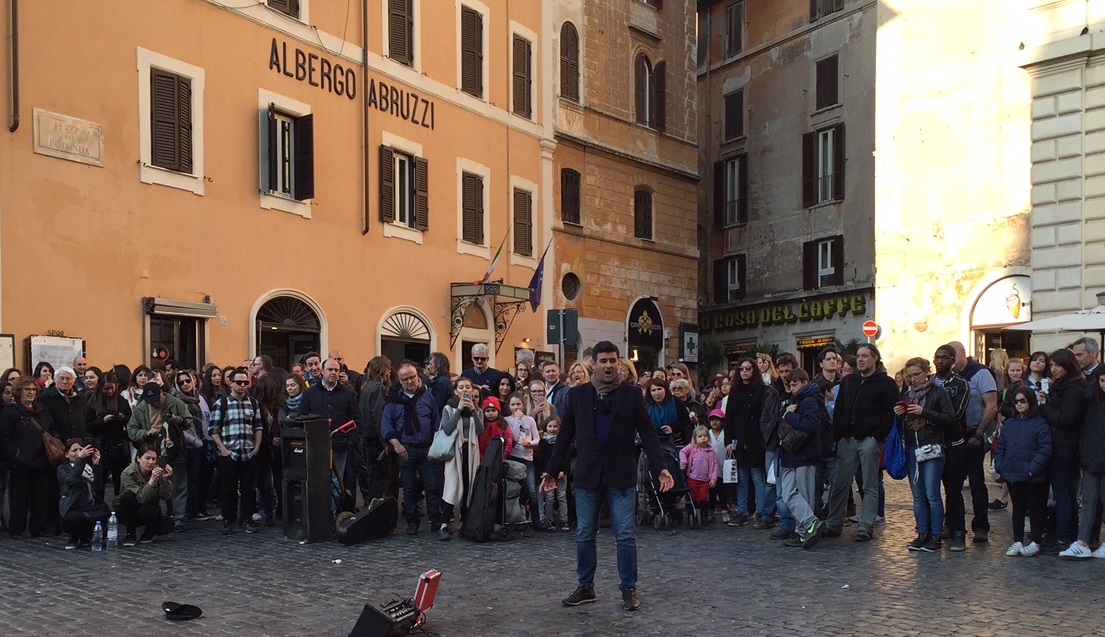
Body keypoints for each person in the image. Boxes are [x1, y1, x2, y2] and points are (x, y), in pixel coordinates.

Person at [541, 341, 673, 612]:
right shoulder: (577, 396)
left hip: (620, 474)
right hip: (588, 474)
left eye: (613, 360)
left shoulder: (632, 394)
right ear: (593, 364)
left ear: (619, 363)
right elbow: (564, 436)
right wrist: (552, 470)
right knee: (584, 534)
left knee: (625, 535)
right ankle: (586, 586)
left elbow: (648, 433)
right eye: (603, 361)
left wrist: (660, 467)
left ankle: (628, 588)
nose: (609, 365)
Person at [823, 344, 899, 541]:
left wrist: (878, 436)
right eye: (858, 356)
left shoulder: (886, 383)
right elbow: (839, 409)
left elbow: (889, 413)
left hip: (870, 440)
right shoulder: (849, 381)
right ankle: (834, 523)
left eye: (865, 356)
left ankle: (866, 525)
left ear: (875, 358)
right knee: (840, 483)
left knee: (869, 484)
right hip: (847, 439)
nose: (860, 360)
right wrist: (839, 434)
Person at [895, 357, 954, 553]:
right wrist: (899, 414)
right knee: (918, 495)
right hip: (912, 446)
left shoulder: (938, 391)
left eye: (916, 375)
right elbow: (906, 423)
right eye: (909, 376)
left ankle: (935, 535)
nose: (913, 380)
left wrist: (925, 414)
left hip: (932, 446)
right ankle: (922, 533)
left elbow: (949, 418)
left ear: (927, 372)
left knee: (932, 494)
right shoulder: (908, 394)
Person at [127, 382, 199, 533]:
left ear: (161, 393)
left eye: (156, 399)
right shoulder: (141, 408)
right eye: (150, 400)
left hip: (174, 450)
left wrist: (177, 419)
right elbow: (131, 429)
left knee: (178, 485)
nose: (153, 403)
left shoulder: (174, 402)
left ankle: (179, 518)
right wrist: (146, 434)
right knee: (154, 485)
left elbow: (189, 420)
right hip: (152, 453)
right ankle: (158, 516)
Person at [381, 360, 442, 536]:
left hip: (427, 449)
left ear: (418, 376)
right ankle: (412, 521)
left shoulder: (427, 396)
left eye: (412, 377)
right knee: (409, 488)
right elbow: (386, 425)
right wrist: (396, 444)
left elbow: (436, 422)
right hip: (405, 449)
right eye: (405, 379)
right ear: (400, 381)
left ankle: (435, 521)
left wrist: (435, 447)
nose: (410, 381)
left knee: (432, 486)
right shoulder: (393, 400)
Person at [1037, 348, 1086, 552]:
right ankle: (1061, 533)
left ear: (1067, 366)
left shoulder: (1073, 389)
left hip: (1065, 446)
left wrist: (1043, 406)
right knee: (1063, 493)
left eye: (1057, 365)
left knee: (1064, 493)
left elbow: (1065, 418)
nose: (1053, 369)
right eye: (1052, 365)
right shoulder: (1062, 386)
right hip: (1060, 444)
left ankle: (1064, 536)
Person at [994, 386, 1053, 557]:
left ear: (1030, 402)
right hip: (1013, 473)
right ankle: (1017, 540)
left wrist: (1032, 468)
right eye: (1016, 401)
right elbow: (1001, 447)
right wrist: (1001, 466)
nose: (1019, 404)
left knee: (1035, 509)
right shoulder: (1010, 424)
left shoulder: (1040, 423)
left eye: (1022, 401)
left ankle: (1035, 541)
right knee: (1018, 509)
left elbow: (1045, 448)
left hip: (1032, 475)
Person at [949, 340, 998, 543]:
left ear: (962, 353)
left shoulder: (981, 373)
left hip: (973, 433)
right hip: (953, 436)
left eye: (953, 355)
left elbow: (992, 405)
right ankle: (951, 523)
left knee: (977, 482)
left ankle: (981, 525)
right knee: (952, 484)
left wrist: (979, 433)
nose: (950, 360)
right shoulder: (949, 377)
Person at [209, 368, 265, 535]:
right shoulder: (221, 403)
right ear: (230, 383)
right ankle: (228, 519)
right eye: (239, 382)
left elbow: (258, 427)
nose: (242, 386)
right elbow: (213, 430)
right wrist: (223, 449)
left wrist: (256, 447)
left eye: (245, 383)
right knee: (228, 487)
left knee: (249, 488)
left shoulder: (253, 403)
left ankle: (246, 519)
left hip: (248, 452)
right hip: (229, 452)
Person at [0, 379, 58, 538]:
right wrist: (15, 454)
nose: (31, 392)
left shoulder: (42, 410)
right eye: (27, 389)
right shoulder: (11, 412)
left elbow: (51, 429)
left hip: (41, 461)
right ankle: (17, 529)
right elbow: (4, 437)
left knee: (40, 498)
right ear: (20, 391)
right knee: (19, 498)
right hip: (21, 463)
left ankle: (37, 528)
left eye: (33, 389)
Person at [298, 357, 362, 501]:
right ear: (322, 371)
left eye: (336, 370)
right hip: (315, 447)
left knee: (336, 482)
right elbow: (301, 417)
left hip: (340, 446)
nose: (333, 372)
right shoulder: (309, 393)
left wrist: (351, 441)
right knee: (317, 482)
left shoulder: (348, 394)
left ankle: (332, 515)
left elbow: (357, 420)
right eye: (330, 369)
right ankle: (319, 515)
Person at [777, 370, 826, 549]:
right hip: (791, 453)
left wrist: (789, 415)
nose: (792, 389)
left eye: (795, 384)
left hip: (805, 454)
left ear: (805, 382)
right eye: (789, 385)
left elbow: (812, 425)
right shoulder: (795, 401)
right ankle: (810, 523)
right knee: (788, 493)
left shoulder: (810, 400)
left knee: (804, 494)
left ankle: (803, 532)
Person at [1060, 368, 1105, 559]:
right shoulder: (1093, 400)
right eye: (1102, 380)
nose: (1104, 384)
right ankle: (1082, 542)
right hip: (1092, 457)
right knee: (1088, 502)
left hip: (1094, 456)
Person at [932, 344, 971, 552]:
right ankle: (934, 529)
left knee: (953, 490)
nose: (940, 361)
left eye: (945, 358)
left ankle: (958, 532)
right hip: (931, 443)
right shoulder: (928, 382)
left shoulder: (961, 384)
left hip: (953, 443)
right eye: (937, 357)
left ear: (953, 360)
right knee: (930, 491)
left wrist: (928, 417)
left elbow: (954, 414)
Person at [724, 358, 769, 528]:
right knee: (741, 477)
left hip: (755, 439)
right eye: (741, 368)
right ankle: (742, 511)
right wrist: (728, 440)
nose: (744, 371)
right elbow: (729, 418)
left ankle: (761, 511)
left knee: (758, 477)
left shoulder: (761, 390)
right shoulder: (735, 391)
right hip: (739, 439)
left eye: (748, 369)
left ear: (753, 371)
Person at [439, 377, 484, 540]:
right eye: (461, 387)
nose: (465, 390)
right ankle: (444, 524)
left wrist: (473, 410)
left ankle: (465, 522)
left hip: (471, 450)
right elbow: (447, 429)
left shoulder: (477, 410)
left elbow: (480, 430)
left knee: (469, 484)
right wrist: (458, 410)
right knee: (452, 486)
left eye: (468, 387)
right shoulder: (448, 408)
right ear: (455, 391)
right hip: (455, 451)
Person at [84, 371, 133, 498]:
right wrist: (102, 421)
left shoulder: (121, 400)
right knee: (99, 481)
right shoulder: (92, 401)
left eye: (112, 388)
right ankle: (99, 508)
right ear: (100, 387)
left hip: (119, 445)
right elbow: (86, 425)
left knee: (120, 481)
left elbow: (131, 421)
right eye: (106, 388)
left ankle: (119, 508)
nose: (110, 391)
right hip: (100, 445)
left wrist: (122, 418)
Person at [116, 443, 174, 546]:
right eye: (147, 458)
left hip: (149, 506)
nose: (150, 462)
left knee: (150, 511)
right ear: (138, 458)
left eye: (153, 459)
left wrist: (165, 479)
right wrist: (152, 481)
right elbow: (141, 497)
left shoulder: (157, 471)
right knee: (128, 497)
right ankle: (130, 533)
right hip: (130, 507)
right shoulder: (128, 473)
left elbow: (166, 496)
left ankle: (149, 532)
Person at [357, 356, 396, 503]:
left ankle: (370, 504)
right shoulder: (378, 387)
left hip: (366, 436)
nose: (389, 371)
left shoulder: (366, 386)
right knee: (380, 476)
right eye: (387, 368)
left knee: (372, 473)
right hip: (376, 439)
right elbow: (378, 415)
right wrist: (385, 441)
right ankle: (374, 507)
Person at [58, 439, 110, 549]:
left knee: (102, 532)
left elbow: (98, 487)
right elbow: (72, 479)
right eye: (74, 450)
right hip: (74, 507)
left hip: (90, 507)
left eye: (81, 449)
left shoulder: (89, 467)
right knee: (73, 518)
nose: (78, 452)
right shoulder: (63, 469)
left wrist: (96, 465)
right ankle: (74, 536)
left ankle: (85, 536)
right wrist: (80, 460)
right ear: (67, 454)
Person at [506, 394, 540, 523]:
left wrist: (530, 443)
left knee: (531, 490)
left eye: (518, 404)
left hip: (528, 459)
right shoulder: (507, 420)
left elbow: (537, 439)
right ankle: (518, 516)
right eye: (513, 404)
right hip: (514, 458)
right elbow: (513, 438)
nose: (516, 407)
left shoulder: (530, 420)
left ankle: (536, 519)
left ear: (523, 405)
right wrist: (517, 420)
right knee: (517, 490)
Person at [679, 425, 718, 525]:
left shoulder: (711, 451)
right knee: (692, 496)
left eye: (705, 436)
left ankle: (704, 514)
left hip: (705, 479)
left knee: (704, 497)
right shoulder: (692, 448)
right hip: (692, 477)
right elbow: (682, 452)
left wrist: (713, 478)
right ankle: (692, 512)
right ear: (695, 438)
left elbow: (715, 465)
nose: (703, 438)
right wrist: (683, 462)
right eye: (700, 436)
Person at [538, 417, 571, 531]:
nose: (552, 429)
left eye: (555, 426)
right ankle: (549, 520)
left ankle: (564, 520)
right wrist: (547, 472)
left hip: (561, 474)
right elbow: (541, 459)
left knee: (562, 496)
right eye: (550, 426)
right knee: (549, 497)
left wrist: (563, 470)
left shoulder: (562, 441)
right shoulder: (543, 442)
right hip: (548, 473)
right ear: (545, 427)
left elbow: (565, 457)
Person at [39, 366, 87, 442]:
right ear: (55, 380)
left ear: (73, 381)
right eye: (62, 378)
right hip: (57, 443)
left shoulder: (81, 398)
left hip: (78, 444)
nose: (65, 382)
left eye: (68, 379)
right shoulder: (45, 398)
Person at [477, 397, 514, 461]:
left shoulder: (503, 425)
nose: (490, 413)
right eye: (487, 411)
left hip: (499, 459)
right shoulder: (481, 425)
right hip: (482, 459)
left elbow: (509, 441)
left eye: (493, 410)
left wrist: (502, 456)